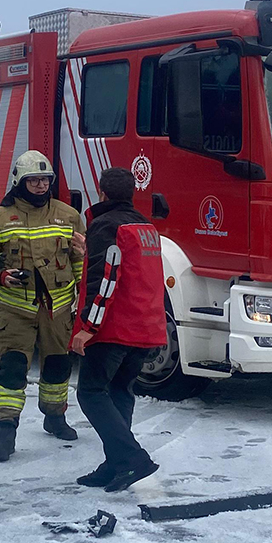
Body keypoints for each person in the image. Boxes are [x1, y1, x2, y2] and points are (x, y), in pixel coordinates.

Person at [0, 151, 87, 461]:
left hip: (58, 308)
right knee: (12, 369)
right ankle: (6, 431)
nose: (41, 185)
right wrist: (1, 275)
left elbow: (77, 259)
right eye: (34, 180)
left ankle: (55, 418)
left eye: (45, 180)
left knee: (58, 366)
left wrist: (82, 298)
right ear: (19, 182)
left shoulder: (68, 215)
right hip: (15, 310)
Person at [70, 168, 167, 492]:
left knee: (91, 393)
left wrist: (86, 327)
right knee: (119, 393)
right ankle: (115, 465)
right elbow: (130, 268)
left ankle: (131, 459)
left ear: (101, 193)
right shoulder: (145, 227)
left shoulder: (105, 225)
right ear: (132, 193)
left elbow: (105, 280)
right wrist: (90, 249)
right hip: (145, 327)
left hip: (114, 328)